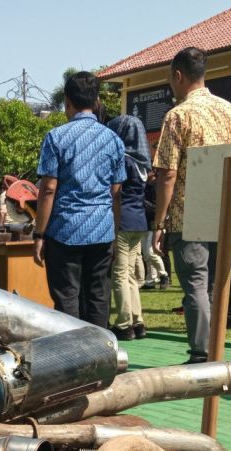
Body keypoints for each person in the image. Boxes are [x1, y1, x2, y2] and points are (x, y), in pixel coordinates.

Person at [151, 47, 231, 364]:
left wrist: (159, 223)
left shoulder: (177, 115)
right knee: (217, 287)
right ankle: (215, 350)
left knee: (195, 285)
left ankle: (201, 353)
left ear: (178, 76)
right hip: (225, 211)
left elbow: (167, 174)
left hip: (186, 213)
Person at [32, 72, 126, 330]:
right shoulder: (114, 140)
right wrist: (115, 234)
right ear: (96, 101)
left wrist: (39, 234)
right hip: (102, 229)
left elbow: (48, 189)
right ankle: (101, 353)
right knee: (98, 296)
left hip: (65, 230)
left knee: (66, 298)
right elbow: (116, 193)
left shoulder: (55, 137)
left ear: (67, 101)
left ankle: (73, 358)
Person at [106, 113, 152, 339]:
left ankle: (124, 324)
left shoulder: (122, 159)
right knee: (132, 273)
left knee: (120, 274)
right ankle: (137, 320)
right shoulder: (143, 161)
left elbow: (116, 192)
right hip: (140, 220)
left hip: (123, 220)